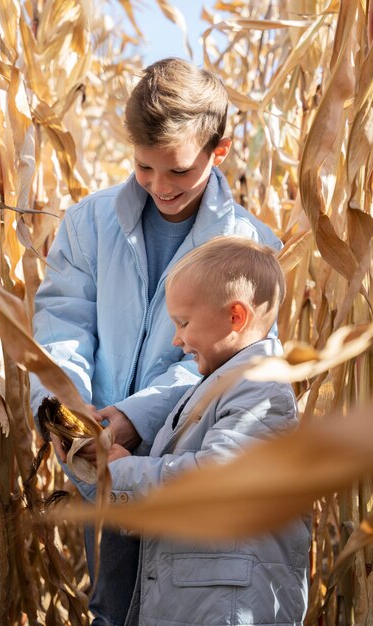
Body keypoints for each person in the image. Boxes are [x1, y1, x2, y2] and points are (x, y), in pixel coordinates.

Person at [30, 58, 282, 626]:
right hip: (105, 469)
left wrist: (132, 417)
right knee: (113, 606)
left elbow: (227, 368)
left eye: (178, 172)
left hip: (188, 475)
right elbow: (62, 326)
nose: (160, 186)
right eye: (145, 168)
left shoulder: (248, 248)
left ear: (219, 152)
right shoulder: (89, 223)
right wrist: (67, 414)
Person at [97, 236, 310, 626]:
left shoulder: (260, 389)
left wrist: (125, 473)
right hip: (198, 601)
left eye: (183, 323)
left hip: (226, 608)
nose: (177, 340)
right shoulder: (216, 386)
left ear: (236, 317)